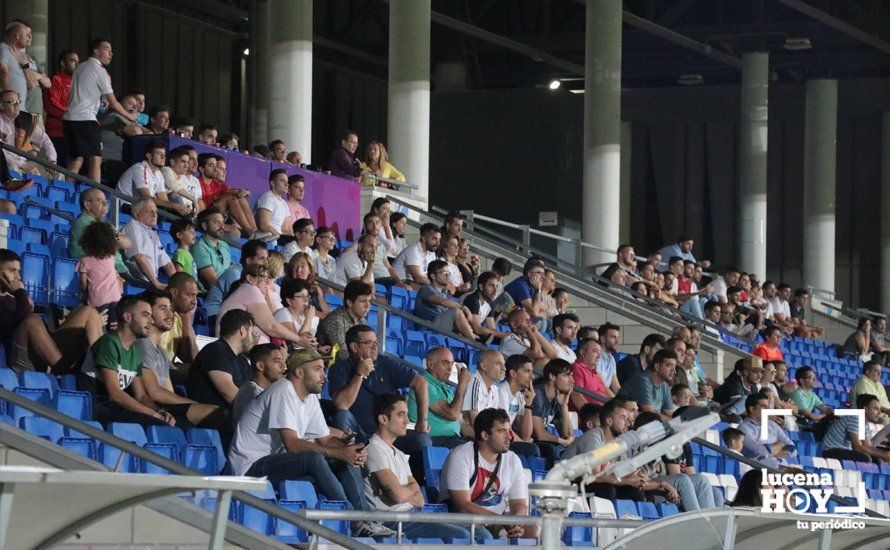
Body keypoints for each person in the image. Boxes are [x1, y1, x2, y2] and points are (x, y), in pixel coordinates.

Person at [228, 348, 396, 538]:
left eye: (323, 370)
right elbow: (292, 444)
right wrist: (339, 452)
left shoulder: (310, 397)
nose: (324, 376)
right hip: (250, 467)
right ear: (299, 372)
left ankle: (365, 517)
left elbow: (325, 439)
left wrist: (348, 450)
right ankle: (353, 519)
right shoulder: (283, 389)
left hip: (277, 463)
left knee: (346, 457)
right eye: (317, 369)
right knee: (315, 459)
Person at [365, 394, 473, 541]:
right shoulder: (374, 449)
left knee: (480, 533)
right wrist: (408, 492)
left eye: (407, 415)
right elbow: (398, 495)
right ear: (383, 419)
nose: (407, 421)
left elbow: (420, 499)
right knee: (461, 535)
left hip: (413, 515)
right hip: (391, 521)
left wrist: (405, 492)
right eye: (401, 415)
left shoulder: (400, 454)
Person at [328, 325, 432, 467]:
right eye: (369, 343)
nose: (374, 347)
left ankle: (413, 482)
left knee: (423, 441)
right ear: (354, 347)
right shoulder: (339, 368)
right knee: (342, 416)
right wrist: (360, 374)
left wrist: (422, 421)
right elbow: (342, 405)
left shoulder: (386, 363)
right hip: (357, 433)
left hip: (387, 431)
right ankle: (348, 465)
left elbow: (421, 383)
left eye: (376, 342)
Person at [0, 248, 105, 374]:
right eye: (12, 271)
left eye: (19, 271)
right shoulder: (17, 297)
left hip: (42, 354)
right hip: (21, 359)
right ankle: (64, 370)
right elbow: (11, 325)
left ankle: (97, 373)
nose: (18, 277)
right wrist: (21, 295)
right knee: (32, 320)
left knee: (89, 312)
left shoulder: (14, 297)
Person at [438, 408, 533, 540]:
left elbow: (519, 504)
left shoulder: (513, 459)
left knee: (534, 530)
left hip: (497, 519)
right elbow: (463, 506)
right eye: (502, 431)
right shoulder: (461, 455)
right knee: (484, 536)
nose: (509, 437)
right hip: (466, 519)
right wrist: (500, 520)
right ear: (485, 435)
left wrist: (516, 523)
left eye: (508, 430)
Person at [78, 296, 173, 427]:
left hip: (116, 409)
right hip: (94, 408)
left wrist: (160, 411)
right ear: (127, 317)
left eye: (151, 316)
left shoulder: (134, 352)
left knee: (179, 424)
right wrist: (153, 415)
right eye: (145, 315)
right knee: (158, 425)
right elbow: (115, 394)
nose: (151, 321)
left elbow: (141, 396)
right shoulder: (109, 343)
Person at [134, 290, 223, 429]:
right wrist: (194, 404)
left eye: (170, 308)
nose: (170, 314)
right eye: (163, 308)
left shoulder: (161, 352)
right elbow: (154, 392)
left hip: (164, 406)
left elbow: (167, 390)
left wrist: (191, 405)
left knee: (216, 412)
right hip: (149, 409)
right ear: (148, 313)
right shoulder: (142, 345)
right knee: (214, 414)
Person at [64, 37, 136, 182]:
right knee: (96, 159)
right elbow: (113, 102)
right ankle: (96, 195)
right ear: (96, 52)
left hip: (69, 119)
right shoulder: (99, 70)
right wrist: (131, 117)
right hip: (86, 119)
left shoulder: (81, 67)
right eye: (106, 49)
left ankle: (65, 192)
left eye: (111, 50)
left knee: (76, 160)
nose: (111, 53)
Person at [561, 400, 647, 502]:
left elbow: (614, 473)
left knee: (635, 492)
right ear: (609, 421)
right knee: (606, 490)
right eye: (623, 418)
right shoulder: (594, 437)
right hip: (566, 482)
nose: (627, 423)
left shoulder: (617, 444)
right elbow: (594, 475)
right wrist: (626, 480)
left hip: (585, 481)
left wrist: (633, 476)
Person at [186, 309, 256, 413]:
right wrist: (258, 413)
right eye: (252, 332)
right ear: (243, 331)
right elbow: (228, 392)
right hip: (214, 418)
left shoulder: (242, 360)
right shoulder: (216, 351)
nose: (254, 338)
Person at [216, 265, 304, 345]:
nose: (268, 283)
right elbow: (271, 326)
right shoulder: (250, 290)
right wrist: (299, 340)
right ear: (250, 278)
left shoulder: (246, 290)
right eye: (264, 278)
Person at [408, 346, 471, 449]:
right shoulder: (424, 384)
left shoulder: (445, 388)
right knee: (469, 451)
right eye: (445, 363)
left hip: (453, 439)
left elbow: (461, 423)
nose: (450, 368)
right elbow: (452, 414)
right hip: (435, 440)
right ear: (430, 364)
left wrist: (483, 437)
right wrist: (462, 384)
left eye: (452, 364)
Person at [203, 239, 267, 331]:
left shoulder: (249, 275)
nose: (266, 263)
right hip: (212, 319)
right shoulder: (235, 274)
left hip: (229, 318)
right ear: (248, 260)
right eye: (262, 259)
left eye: (266, 258)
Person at [117, 141, 192, 216]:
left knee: (179, 213)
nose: (163, 157)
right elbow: (146, 198)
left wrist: (180, 207)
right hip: (125, 205)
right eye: (159, 154)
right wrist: (175, 206)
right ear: (149, 156)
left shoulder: (158, 173)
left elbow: (164, 199)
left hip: (140, 207)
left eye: (164, 154)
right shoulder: (140, 169)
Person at [67, 188, 129, 274]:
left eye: (105, 201)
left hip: (112, 270)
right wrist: (116, 238)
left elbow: (127, 243)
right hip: (98, 272)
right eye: (100, 201)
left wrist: (113, 237)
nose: (105, 204)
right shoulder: (82, 222)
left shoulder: (104, 224)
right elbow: (111, 242)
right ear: (87, 205)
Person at [413, 260, 476, 340]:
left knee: (464, 323)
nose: (447, 276)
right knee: (456, 312)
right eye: (443, 273)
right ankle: (475, 341)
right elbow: (442, 302)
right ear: (433, 276)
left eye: (448, 273)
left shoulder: (444, 293)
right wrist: (463, 307)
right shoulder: (426, 289)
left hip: (440, 326)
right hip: (428, 327)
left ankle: (477, 338)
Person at [195, 153, 256, 236]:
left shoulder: (216, 184)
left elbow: (235, 191)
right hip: (203, 217)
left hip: (215, 215)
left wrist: (245, 192)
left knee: (241, 199)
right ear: (202, 169)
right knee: (230, 199)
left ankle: (255, 231)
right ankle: (249, 231)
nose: (215, 169)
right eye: (211, 166)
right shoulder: (196, 182)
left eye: (216, 166)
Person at [121, 199, 175, 289]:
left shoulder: (153, 233)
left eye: (156, 212)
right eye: (149, 211)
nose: (154, 215)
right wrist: (156, 283)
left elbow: (167, 263)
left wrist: (178, 284)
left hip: (150, 281)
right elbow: (139, 257)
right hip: (136, 281)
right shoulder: (133, 226)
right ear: (136, 214)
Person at [530, 359, 575, 466]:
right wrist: (563, 442)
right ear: (552, 376)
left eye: (571, 376)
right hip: (527, 441)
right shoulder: (537, 395)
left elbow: (567, 434)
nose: (572, 380)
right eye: (567, 375)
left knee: (575, 451)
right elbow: (539, 434)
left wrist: (564, 406)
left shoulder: (557, 398)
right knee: (554, 450)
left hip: (539, 441)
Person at [0, 89, 56, 174]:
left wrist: (52, 160)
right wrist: (23, 165)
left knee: (57, 175)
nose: (17, 105)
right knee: (12, 168)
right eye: (12, 102)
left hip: (24, 163)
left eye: (19, 101)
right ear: (2, 106)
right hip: (7, 164)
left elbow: (45, 140)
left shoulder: (25, 120)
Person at [822, 394, 890, 463]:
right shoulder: (855, 418)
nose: (879, 413)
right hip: (831, 451)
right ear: (866, 409)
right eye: (876, 409)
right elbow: (857, 447)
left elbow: (868, 446)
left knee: (878, 460)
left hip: (843, 450)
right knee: (865, 458)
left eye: (879, 409)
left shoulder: (864, 423)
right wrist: (884, 454)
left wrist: (884, 455)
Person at [0, 20, 49, 115]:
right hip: (10, 108)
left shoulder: (20, 56)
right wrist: (8, 94)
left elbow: (32, 84)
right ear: (18, 36)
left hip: (20, 108)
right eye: (27, 35)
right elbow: (2, 69)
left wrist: (26, 66)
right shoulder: (4, 49)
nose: (30, 38)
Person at [736, 393, 796, 470]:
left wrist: (769, 451)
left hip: (783, 467)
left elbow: (793, 450)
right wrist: (780, 444)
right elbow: (761, 451)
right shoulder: (744, 428)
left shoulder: (773, 425)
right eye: (763, 406)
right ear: (752, 409)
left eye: (768, 406)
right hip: (760, 472)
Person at [231, 343, 287, 423]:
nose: (283, 365)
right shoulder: (252, 393)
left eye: (283, 360)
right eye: (277, 361)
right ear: (260, 366)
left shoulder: (261, 391)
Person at [317, 280, 372, 362]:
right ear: (349, 302)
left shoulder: (362, 321)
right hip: (332, 367)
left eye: (369, 301)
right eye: (363, 301)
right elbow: (342, 354)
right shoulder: (335, 320)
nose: (368, 306)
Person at [497, 355, 540, 458]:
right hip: (499, 440)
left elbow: (526, 435)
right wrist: (523, 442)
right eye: (527, 371)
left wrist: (528, 405)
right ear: (513, 373)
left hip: (508, 439)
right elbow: (503, 426)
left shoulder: (519, 396)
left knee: (549, 449)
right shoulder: (501, 391)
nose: (532, 376)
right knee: (532, 449)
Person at [617, 349, 678, 422]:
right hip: (623, 424)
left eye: (674, 366)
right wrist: (675, 421)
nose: (673, 370)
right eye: (669, 365)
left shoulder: (664, 385)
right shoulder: (643, 380)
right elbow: (650, 415)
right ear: (657, 367)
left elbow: (670, 413)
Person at [75, 220, 122, 314]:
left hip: (97, 302)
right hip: (116, 299)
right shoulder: (111, 257)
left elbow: (83, 284)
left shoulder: (85, 260)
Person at [158, 272, 200, 364]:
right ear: (174, 292)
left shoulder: (181, 318)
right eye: (190, 295)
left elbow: (192, 359)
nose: (195, 301)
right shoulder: (155, 313)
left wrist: (186, 319)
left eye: (196, 296)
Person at [274, 277, 321, 351]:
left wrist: (319, 348)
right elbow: (297, 343)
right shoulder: (282, 314)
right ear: (289, 300)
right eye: (300, 296)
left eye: (307, 296)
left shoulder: (302, 317)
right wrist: (308, 319)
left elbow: (309, 343)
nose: (306, 300)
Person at [192, 207, 232, 290]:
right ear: (205, 225)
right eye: (217, 222)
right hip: (214, 293)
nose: (222, 226)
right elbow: (213, 281)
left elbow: (230, 271)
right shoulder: (199, 247)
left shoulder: (224, 245)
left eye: (222, 222)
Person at [462, 350, 506, 427]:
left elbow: (493, 421)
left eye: (504, 364)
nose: (504, 369)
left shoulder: (494, 389)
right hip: (468, 435)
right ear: (484, 366)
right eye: (498, 364)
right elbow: (474, 421)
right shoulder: (474, 383)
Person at [462, 271, 509, 343]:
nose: (495, 290)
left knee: (507, 341)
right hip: (461, 334)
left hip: (473, 335)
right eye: (491, 286)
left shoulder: (490, 303)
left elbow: (492, 328)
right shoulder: (473, 299)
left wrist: (506, 336)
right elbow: (477, 329)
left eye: (496, 286)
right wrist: (501, 334)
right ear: (481, 287)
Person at [252, 168, 293, 243]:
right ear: (273, 183)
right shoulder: (267, 198)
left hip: (277, 239)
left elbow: (287, 230)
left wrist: (292, 241)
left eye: (287, 182)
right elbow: (263, 226)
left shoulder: (284, 203)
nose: (287, 184)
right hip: (266, 240)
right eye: (282, 181)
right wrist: (279, 237)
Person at [570, 337, 611, 409]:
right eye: (595, 351)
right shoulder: (577, 368)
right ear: (582, 353)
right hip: (591, 417)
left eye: (599, 353)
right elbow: (577, 397)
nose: (599, 357)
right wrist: (594, 415)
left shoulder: (596, 373)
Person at [161, 147, 203, 212]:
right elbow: (174, 186)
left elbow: (186, 200)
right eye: (183, 161)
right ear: (172, 162)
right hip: (165, 209)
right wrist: (193, 199)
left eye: (187, 162)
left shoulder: (183, 177)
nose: (186, 165)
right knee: (175, 197)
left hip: (180, 210)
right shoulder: (165, 170)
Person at [597, 322, 622, 395]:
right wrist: (616, 402)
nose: (617, 342)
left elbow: (616, 387)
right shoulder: (596, 356)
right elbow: (601, 386)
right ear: (603, 339)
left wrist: (625, 401)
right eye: (613, 337)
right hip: (597, 397)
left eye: (618, 337)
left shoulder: (612, 359)